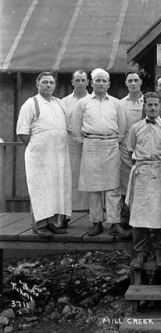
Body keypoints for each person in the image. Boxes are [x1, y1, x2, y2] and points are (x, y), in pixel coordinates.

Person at [72, 68, 129, 237]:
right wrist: (89, 141)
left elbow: (123, 127)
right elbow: (76, 128)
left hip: (111, 145)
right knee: (94, 187)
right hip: (91, 145)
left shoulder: (116, 103)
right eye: (98, 80)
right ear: (92, 82)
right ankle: (96, 222)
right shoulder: (83, 103)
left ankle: (114, 223)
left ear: (109, 84)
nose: (101, 83)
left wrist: (112, 141)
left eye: (104, 81)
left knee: (113, 187)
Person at [16, 72, 71, 237]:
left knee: (55, 188)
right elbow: (22, 132)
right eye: (45, 82)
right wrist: (39, 146)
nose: (49, 85)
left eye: (51, 83)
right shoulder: (31, 103)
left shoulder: (59, 103)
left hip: (58, 154)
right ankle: (39, 225)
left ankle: (51, 223)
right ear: (37, 84)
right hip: (39, 156)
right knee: (40, 189)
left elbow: (66, 127)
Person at [126, 92, 161, 272]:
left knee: (160, 213)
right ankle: (140, 252)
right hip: (142, 172)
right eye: (149, 105)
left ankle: (159, 251)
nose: (153, 108)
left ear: (160, 106)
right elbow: (130, 151)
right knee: (138, 214)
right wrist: (140, 167)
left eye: (156, 105)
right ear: (144, 106)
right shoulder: (135, 128)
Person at [59, 69, 89, 228]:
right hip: (70, 143)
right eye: (77, 80)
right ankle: (65, 215)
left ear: (88, 82)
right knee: (68, 179)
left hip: (89, 142)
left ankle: (95, 217)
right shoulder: (64, 102)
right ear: (72, 82)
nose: (80, 83)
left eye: (83, 80)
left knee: (91, 179)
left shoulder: (93, 100)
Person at [119, 72, 144, 199]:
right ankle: (125, 213)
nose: (133, 83)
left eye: (136, 80)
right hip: (125, 148)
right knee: (125, 180)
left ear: (140, 82)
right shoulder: (120, 104)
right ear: (126, 83)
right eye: (130, 81)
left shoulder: (148, 102)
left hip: (143, 148)